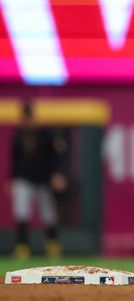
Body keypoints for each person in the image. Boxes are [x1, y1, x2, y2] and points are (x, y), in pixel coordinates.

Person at [10, 100, 68, 258]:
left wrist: (58, 173)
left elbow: (57, 156)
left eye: (30, 117)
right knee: (22, 213)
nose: (28, 121)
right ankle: (22, 247)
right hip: (24, 179)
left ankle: (53, 246)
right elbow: (14, 159)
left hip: (44, 180)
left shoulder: (45, 133)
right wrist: (12, 179)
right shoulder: (18, 135)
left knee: (49, 216)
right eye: (25, 118)